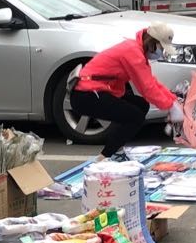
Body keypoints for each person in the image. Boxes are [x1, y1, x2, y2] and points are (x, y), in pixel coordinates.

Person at [70, 22, 184, 160]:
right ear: (152, 42)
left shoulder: (136, 49)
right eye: (161, 48)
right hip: (87, 95)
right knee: (134, 117)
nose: (161, 53)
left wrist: (172, 100)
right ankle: (105, 157)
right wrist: (170, 106)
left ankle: (116, 147)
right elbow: (147, 88)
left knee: (141, 105)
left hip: (96, 90)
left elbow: (151, 81)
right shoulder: (133, 52)